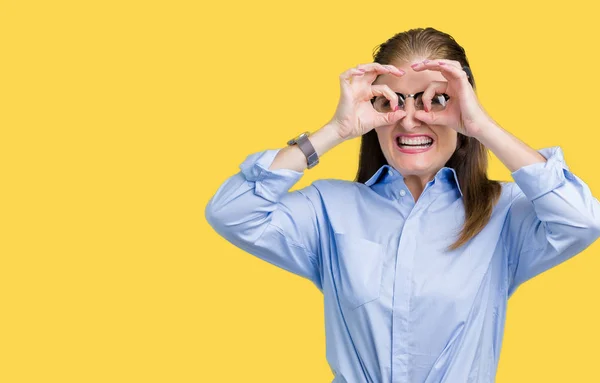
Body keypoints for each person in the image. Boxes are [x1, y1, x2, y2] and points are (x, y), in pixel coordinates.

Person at [204, 27, 600, 382]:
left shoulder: (503, 214)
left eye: (436, 100)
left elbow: (582, 221)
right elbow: (232, 212)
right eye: (390, 102)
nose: (410, 120)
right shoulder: (328, 208)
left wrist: (482, 126)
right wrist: (334, 131)